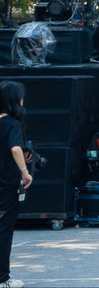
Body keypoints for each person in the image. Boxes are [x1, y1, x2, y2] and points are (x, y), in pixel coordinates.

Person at [0, 81, 32, 288]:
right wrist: (24, 171)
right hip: (6, 184)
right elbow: (15, 148)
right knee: (4, 230)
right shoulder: (12, 123)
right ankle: (3, 278)